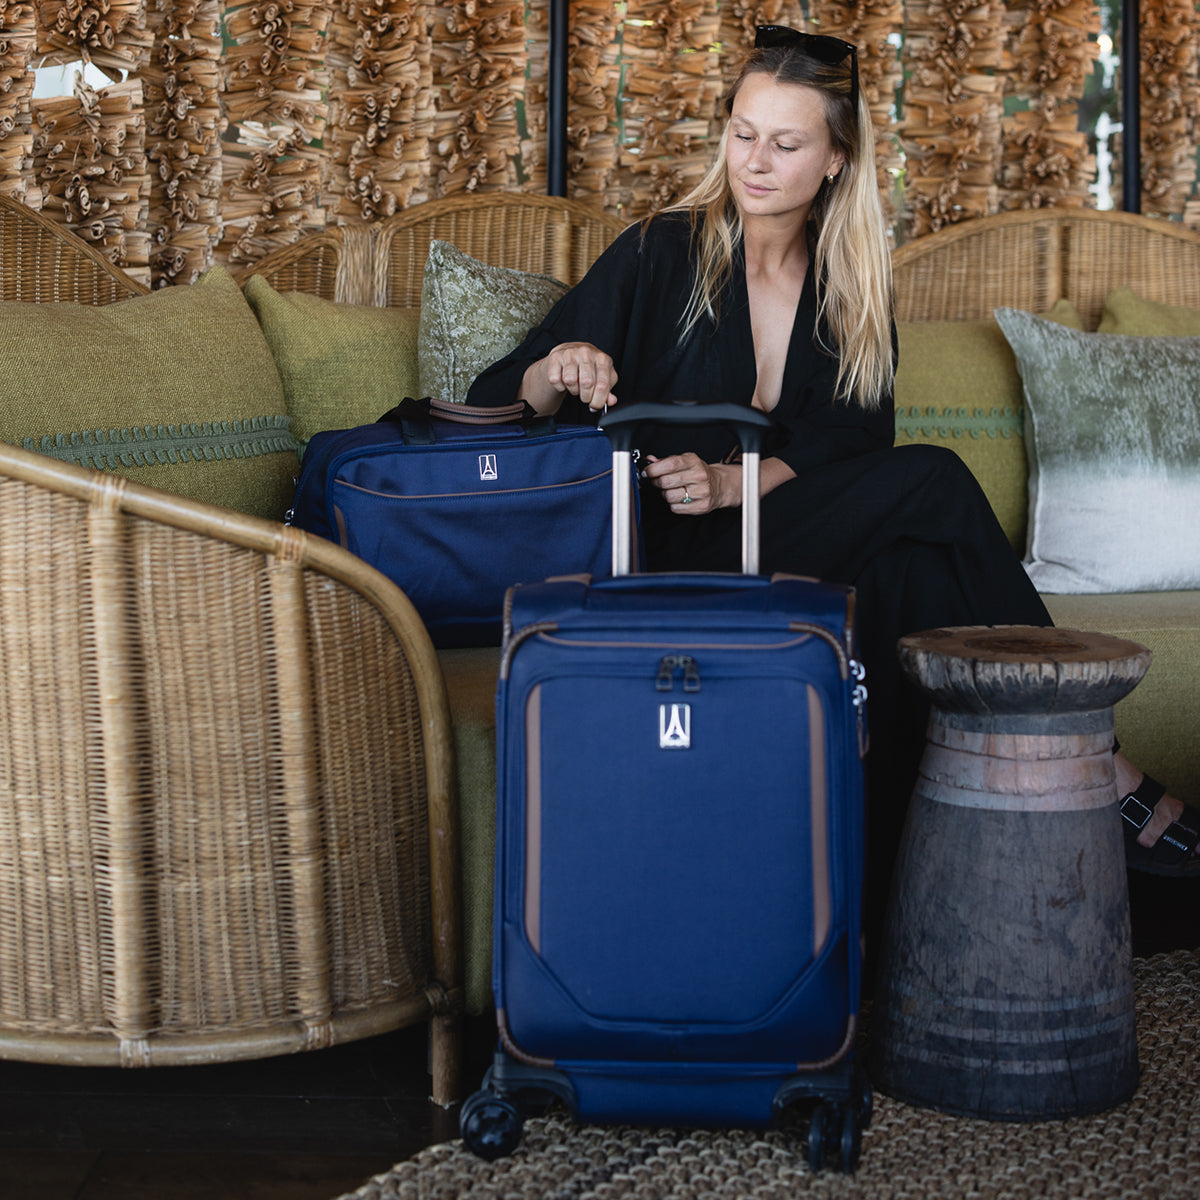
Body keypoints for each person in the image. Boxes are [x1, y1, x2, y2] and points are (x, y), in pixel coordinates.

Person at [467, 24, 1199, 926]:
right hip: (666, 549)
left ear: (837, 160)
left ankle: (911, 911)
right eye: (742, 132)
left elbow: (855, 447)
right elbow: (503, 393)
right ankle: (1094, 759)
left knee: (909, 576)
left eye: (786, 142)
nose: (755, 161)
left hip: (779, 535)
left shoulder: (851, 283)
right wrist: (565, 362)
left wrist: (742, 481)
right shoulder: (662, 252)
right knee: (931, 480)